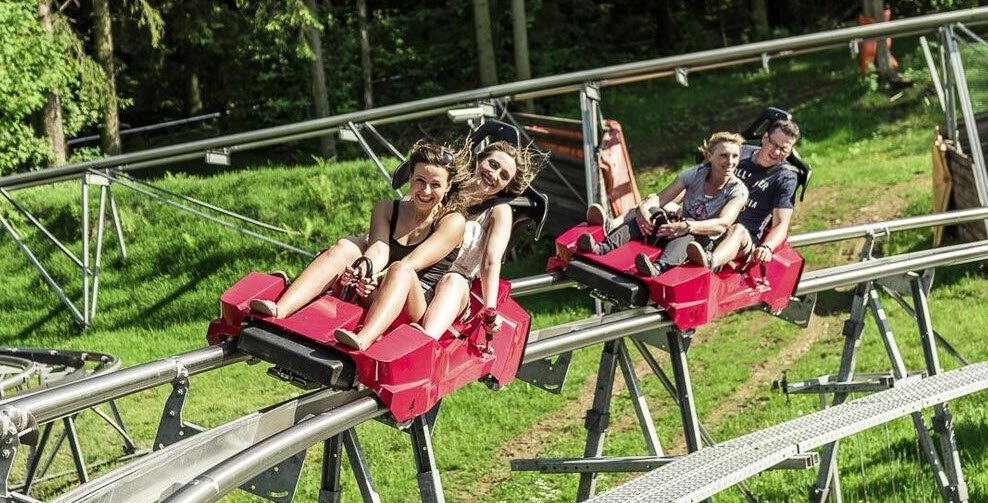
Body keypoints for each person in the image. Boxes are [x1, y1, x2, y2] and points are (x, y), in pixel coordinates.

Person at [336, 135, 546, 349]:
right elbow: (400, 224)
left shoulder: (498, 211)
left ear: (506, 186)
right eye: (493, 164)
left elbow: (491, 261)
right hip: (415, 274)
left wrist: (490, 309)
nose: (494, 174)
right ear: (480, 159)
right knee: (356, 247)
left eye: (503, 175)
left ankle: (425, 340)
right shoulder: (441, 186)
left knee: (452, 280)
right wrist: (364, 252)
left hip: (452, 283)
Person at [249, 141, 468, 320]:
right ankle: (280, 309)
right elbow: (379, 250)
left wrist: (377, 278)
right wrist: (364, 269)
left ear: (448, 186)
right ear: (410, 177)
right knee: (346, 246)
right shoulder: (386, 208)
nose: (426, 191)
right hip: (375, 289)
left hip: (411, 302)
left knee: (400, 270)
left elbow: (411, 263)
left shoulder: (452, 221)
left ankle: (363, 339)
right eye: (420, 181)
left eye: (436, 184)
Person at [576, 132, 748, 277]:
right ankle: (601, 247)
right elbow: (661, 198)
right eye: (724, 155)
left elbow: (722, 224)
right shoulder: (695, 174)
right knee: (651, 211)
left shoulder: (737, 190)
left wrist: (687, 226)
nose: (730, 161)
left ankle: (659, 268)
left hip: (702, 241)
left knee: (689, 235)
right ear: (710, 156)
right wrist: (643, 210)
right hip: (676, 229)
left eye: (735, 156)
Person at [687, 119, 801, 270]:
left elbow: (781, 224)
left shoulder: (786, 177)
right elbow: (701, 179)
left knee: (738, 229)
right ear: (765, 138)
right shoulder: (739, 153)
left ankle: (711, 261)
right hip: (711, 222)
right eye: (774, 144)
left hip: (744, 238)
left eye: (784, 149)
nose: (776, 152)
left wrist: (767, 247)